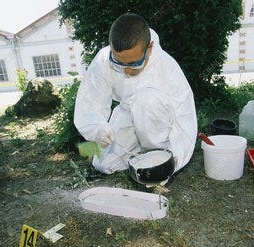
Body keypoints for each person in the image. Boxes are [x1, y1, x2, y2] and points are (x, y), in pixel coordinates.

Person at [74, 13, 197, 176]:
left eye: (133, 63)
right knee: (103, 165)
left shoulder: (168, 68)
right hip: (128, 116)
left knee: (146, 100)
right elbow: (90, 101)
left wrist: (175, 159)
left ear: (150, 48)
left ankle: (159, 156)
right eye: (118, 62)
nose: (126, 69)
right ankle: (138, 152)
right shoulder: (103, 60)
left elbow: (184, 118)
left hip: (160, 125)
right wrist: (98, 129)